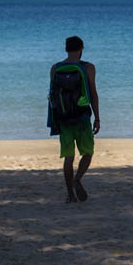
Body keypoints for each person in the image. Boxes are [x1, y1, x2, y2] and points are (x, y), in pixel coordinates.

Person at [49, 36, 100, 203]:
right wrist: (97, 117)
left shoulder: (55, 68)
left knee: (68, 157)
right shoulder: (88, 67)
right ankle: (78, 178)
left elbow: (53, 97)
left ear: (66, 49)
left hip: (63, 118)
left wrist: (53, 120)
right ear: (82, 48)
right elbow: (93, 93)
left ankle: (70, 195)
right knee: (87, 152)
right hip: (82, 116)